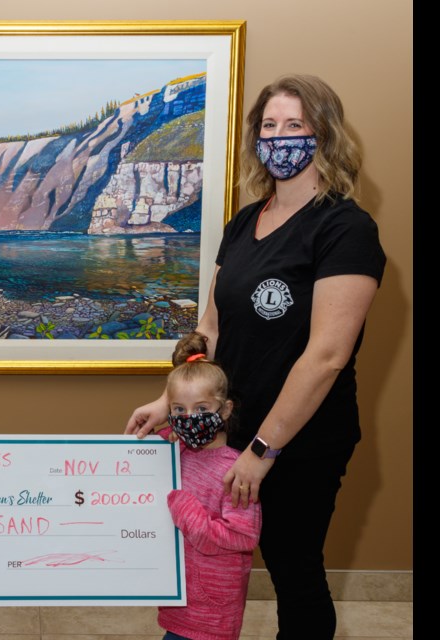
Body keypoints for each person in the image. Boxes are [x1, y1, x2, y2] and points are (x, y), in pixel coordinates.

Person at [125, 74, 385, 638]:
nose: (279, 137)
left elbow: (327, 356)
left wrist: (264, 450)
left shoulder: (347, 228)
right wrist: (169, 402)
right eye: (270, 126)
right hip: (229, 431)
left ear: (325, 136)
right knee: (212, 565)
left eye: (295, 125)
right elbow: (211, 329)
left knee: (294, 574)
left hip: (299, 441)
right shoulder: (245, 222)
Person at [156, 332, 261, 640]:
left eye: (202, 409)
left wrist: (187, 511)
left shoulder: (236, 470)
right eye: (179, 410)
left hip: (213, 609)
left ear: (225, 410)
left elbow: (242, 535)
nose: (190, 418)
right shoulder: (177, 452)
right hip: (177, 598)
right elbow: (143, 459)